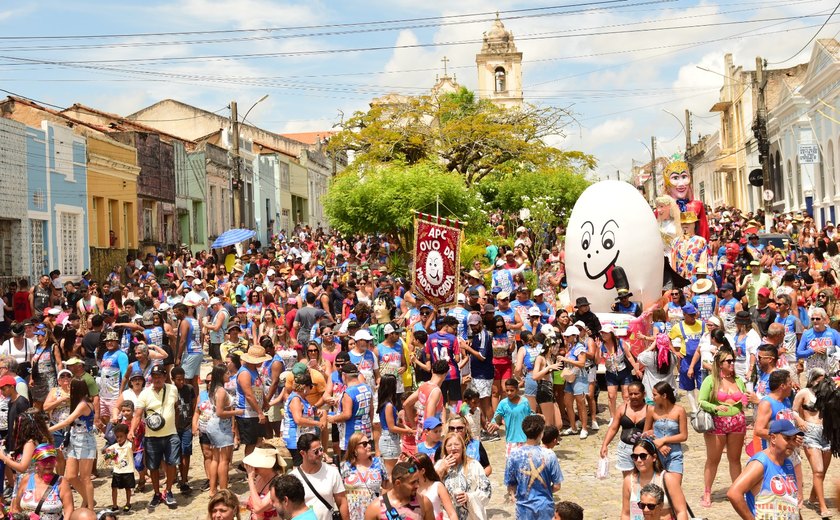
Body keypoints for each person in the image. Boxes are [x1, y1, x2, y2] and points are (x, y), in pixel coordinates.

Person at [697, 347, 747, 507]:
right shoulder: (711, 380)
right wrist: (715, 408)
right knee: (713, 459)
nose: (732, 363)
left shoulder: (738, 380)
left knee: (735, 459)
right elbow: (702, 401)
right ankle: (707, 492)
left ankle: (738, 491)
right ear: (720, 363)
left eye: (733, 360)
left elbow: (744, 397)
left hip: (737, 423)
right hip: (717, 423)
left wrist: (747, 400)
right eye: (729, 361)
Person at [728, 419, 802, 519]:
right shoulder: (760, 463)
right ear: (773, 438)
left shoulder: (788, 463)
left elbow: (791, 502)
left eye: (794, 439)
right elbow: (734, 493)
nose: (792, 443)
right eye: (787, 439)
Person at [129, 364, 179, 509]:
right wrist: (132, 430)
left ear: (165, 377)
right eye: (155, 376)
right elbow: (138, 414)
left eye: (160, 376)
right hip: (152, 436)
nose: (157, 379)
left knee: (171, 463)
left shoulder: (173, 389)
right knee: (153, 466)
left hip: (170, 434)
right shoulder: (145, 393)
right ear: (151, 378)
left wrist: (174, 425)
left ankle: (168, 491)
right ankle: (157, 493)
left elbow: (175, 407)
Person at [48, 378, 96, 510]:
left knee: (85, 477)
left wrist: (47, 430)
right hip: (75, 439)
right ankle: (88, 499)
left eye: (70, 386)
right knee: (70, 476)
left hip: (85, 441)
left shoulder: (84, 404)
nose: (68, 388)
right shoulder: (79, 402)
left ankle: (90, 509)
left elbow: (67, 421)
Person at [504, 415, 563, 520]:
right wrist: (545, 491)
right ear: (542, 433)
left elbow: (510, 484)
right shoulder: (549, 454)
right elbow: (557, 485)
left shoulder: (514, 454)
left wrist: (514, 495)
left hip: (523, 508)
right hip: (545, 506)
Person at [792, 368, 832, 517]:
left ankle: (813, 497)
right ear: (813, 379)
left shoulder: (828, 392)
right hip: (810, 432)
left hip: (826, 432)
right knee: (819, 470)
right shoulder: (803, 393)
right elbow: (794, 410)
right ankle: (823, 508)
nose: (821, 382)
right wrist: (800, 420)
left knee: (823, 472)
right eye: (819, 379)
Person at [620, 438, 689, 520]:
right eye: (635, 457)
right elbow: (626, 513)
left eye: (643, 456)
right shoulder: (629, 481)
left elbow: (681, 511)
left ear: (654, 457)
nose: (638, 460)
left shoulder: (667, 479)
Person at [289, 433, 350, 520]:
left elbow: (342, 502)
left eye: (321, 449)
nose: (321, 453)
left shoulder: (332, 472)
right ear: (303, 453)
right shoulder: (293, 478)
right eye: (316, 451)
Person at [10, 445, 73, 520]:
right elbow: (16, 507)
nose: (49, 464)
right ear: (36, 463)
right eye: (44, 461)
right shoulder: (26, 479)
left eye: (51, 460)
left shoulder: (61, 482)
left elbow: (69, 510)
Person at [439, 432, 491, 520]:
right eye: (449, 445)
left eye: (456, 444)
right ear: (445, 448)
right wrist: (440, 470)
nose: (453, 448)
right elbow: (429, 489)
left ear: (463, 447)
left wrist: (469, 497)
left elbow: (486, 491)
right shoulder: (439, 466)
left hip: (472, 516)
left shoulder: (474, 465)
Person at [642, 382, 687, 484]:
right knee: (656, 489)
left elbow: (683, 436)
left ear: (664, 395)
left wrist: (664, 439)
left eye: (655, 395)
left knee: (674, 488)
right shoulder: (651, 410)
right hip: (655, 455)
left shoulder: (680, 410)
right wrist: (659, 445)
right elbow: (645, 434)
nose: (652, 397)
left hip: (674, 454)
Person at [600, 381, 647, 476]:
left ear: (644, 394)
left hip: (643, 449)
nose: (633, 396)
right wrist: (605, 445)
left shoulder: (649, 410)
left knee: (644, 478)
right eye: (631, 394)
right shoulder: (622, 408)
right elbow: (613, 428)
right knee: (628, 479)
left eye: (636, 393)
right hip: (625, 449)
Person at [363, 461, 434, 520]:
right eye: (412, 483)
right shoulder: (375, 508)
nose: (417, 486)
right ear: (398, 483)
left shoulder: (424, 502)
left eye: (417, 481)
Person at [341, 432, 388, 520]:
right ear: (354, 448)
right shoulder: (344, 467)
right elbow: (340, 495)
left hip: (375, 514)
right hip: (354, 516)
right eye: (365, 444)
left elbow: (387, 486)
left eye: (369, 442)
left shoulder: (378, 463)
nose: (369, 446)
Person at [236, 345, 272, 456]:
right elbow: (248, 395)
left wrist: (265, 401)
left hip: (254, 412)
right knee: (251, 443)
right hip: (247, 413)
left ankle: (250, 466)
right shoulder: (245, 373)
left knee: (258, 440)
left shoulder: (253, 370)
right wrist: (260, 412)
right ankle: (248, 468)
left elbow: (258, 389)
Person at [377, 374, 413, 476]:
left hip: (392, 440)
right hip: (389, 441)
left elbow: (396, 423)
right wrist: (408, 431)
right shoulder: (388, 406)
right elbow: (392, 427)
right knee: (390, 474)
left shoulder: (388, 404)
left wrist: (408, 429)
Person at [487, 378, 531, 456]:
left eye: (512, 390)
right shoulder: (503, 403)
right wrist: (494, 423)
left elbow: (530, 415)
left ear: (517, 389)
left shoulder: (525, 402)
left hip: (525, 439)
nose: (509, 393)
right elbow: (498, 415)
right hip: (511, 441)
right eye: (507, 390)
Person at [171, 366, 197, 494]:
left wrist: (194, 423)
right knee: (176, 454)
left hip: (187, 425)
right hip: (173, 428)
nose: (181, 382)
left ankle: (184, 480)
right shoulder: (170, 391)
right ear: (173, 379)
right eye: (178, 379)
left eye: (183, 379)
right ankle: (176, 476)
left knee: (186, 453)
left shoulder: (190, 389)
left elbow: (194, 405)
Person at [412, 452, 459, 520]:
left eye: (413, 469)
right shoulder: (412, 489)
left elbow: (452, 513)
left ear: (422, 471)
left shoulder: (437, 486)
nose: (410, 472)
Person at [243, 446, 283, 520]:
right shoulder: (259, 477)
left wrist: (250, 479)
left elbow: (259, 508)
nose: (253, 465)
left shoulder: (278, 483)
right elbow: (254, 501)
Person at [104, 423, 135, 513]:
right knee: (114, 488)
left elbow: (134, 448)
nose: (119, 439)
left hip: (128, 470)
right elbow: (106, 451)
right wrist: (108, 453)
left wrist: (132, 440)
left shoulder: (129, 445)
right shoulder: (115, 446)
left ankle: (128, 503)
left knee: (127, 488)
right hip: (117, 471)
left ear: (126, 435)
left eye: (121, 436)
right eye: (117, 437)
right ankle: (114, 505)